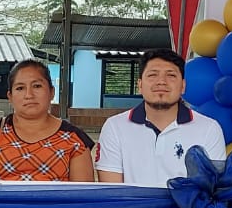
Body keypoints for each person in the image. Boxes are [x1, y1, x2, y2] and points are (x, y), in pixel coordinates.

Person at [95, 47, 225, 187]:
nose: (161, 81)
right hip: (130, 203)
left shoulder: (209, 129)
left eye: (171, 75)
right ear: (140, 85)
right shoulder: (115, 127)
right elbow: (112, 192)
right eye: (152, 75)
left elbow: (212, 189)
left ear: (183, 86)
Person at [0, 59, 95, 181]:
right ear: (10, 97)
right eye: (20, 88)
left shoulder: (75, 140)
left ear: (52, 92)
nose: (29, 95)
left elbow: (82, 194)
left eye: (37, 86)